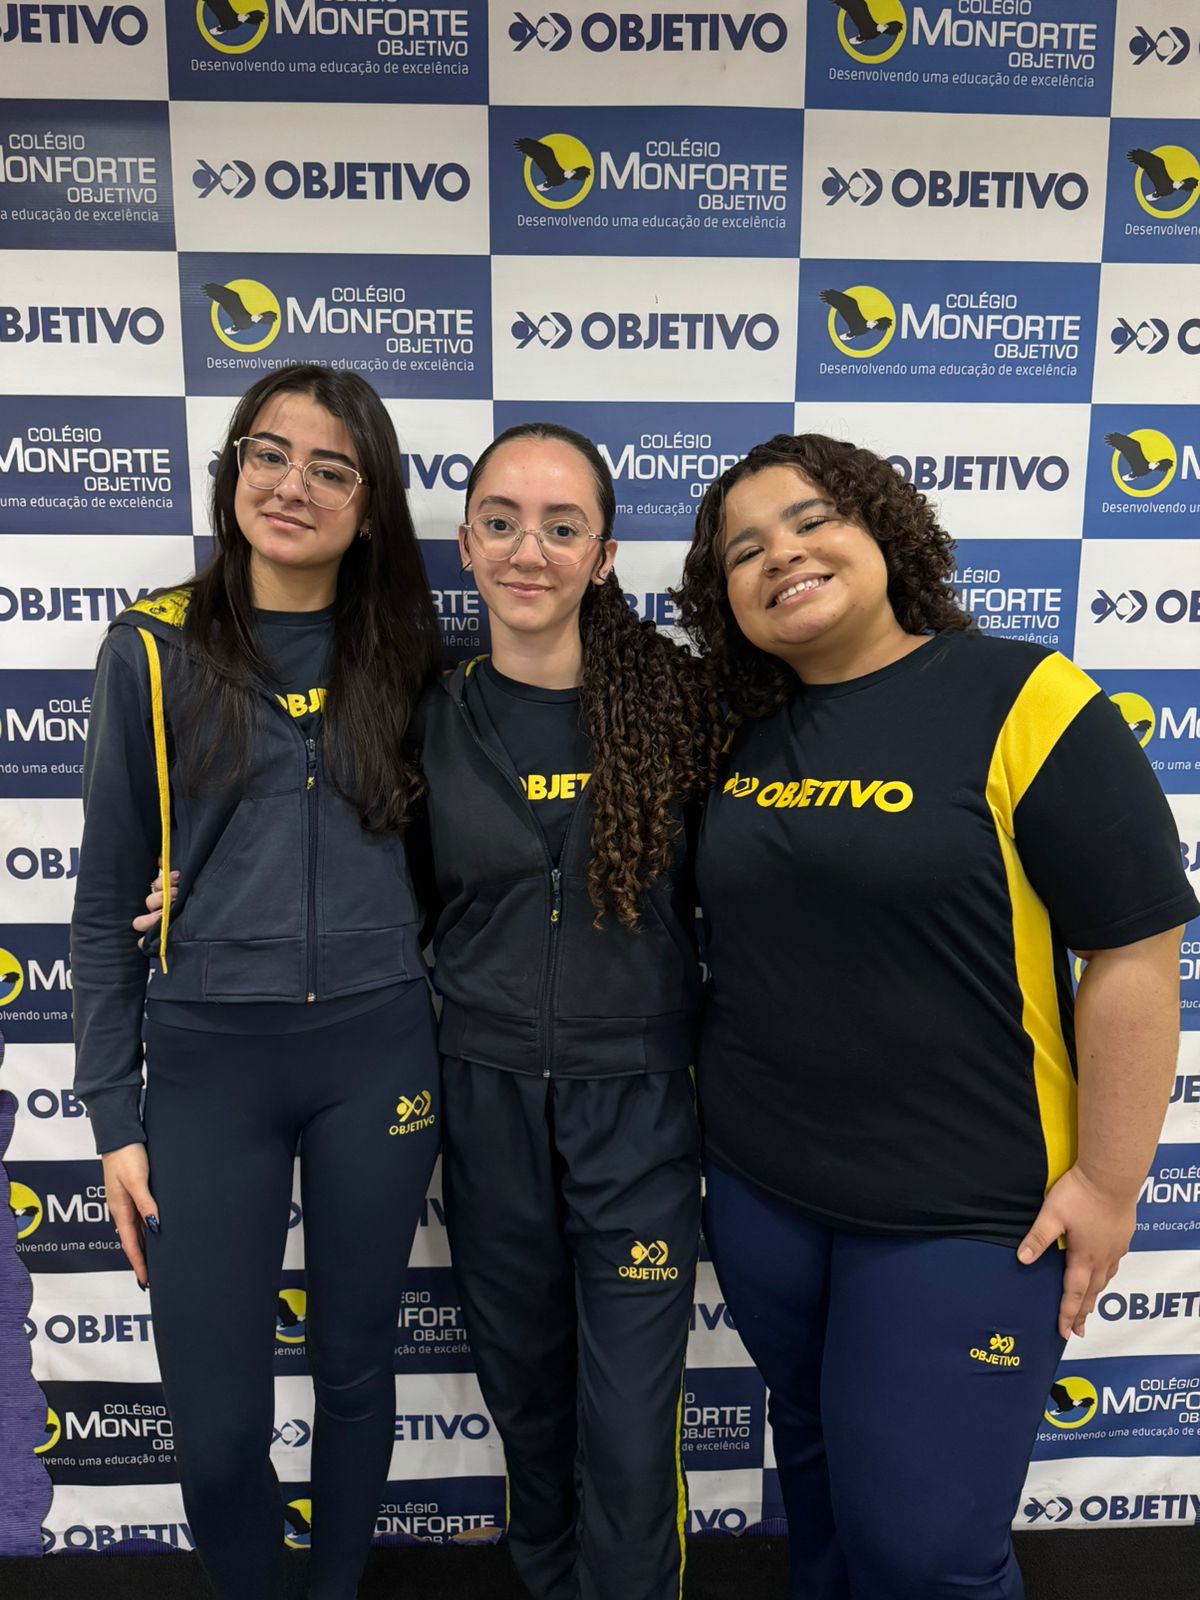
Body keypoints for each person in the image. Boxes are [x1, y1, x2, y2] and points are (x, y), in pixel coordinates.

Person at [672, 432, 1198, 1600]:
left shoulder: (1024, 697)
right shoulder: (732, 730)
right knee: (820, 1494)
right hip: (764, 1191)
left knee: (927, 1552)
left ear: (883, 530)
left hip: (967, 1211)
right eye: (744, 550)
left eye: (812, 520)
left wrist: (1111, 1182)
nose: (781, 555)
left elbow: (1134, 950)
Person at [71, 363, 444, 1600]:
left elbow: (454, 857)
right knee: (219, 1421)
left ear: (370, 505)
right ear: (232, 466)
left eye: (332, 468)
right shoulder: (151, 647)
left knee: (355, 1370)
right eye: (269, 453)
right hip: (206, 1068)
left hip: (378, 1053)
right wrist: (112, 1115)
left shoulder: (407, 653)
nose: (293, 485)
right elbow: (103, 903)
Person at [411, 421, 723, 1600]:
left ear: (602, 555)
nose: (526, 549)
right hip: (484, 1098)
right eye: (500, 522)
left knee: (632, 1439)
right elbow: (357, 879)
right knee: (529, 1411)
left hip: (637, 1109)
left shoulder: (679, 709)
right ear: (466, 543)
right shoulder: (428, 715)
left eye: (561, 526)